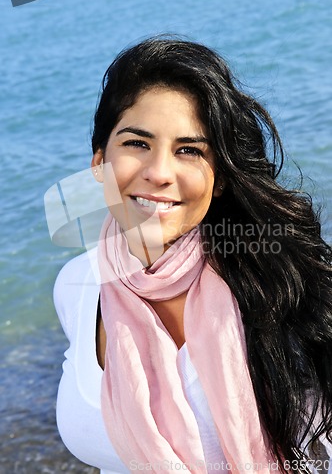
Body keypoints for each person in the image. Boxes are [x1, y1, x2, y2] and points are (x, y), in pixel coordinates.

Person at [53, 37, 332, 474]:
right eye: (137, 143)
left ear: (219, 179)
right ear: (98, 161)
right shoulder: (75, 286)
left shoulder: (276, 281)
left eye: (189, 150)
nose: (160, 173)